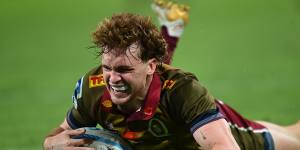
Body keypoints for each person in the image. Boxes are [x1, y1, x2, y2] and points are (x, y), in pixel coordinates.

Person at [43, 1, 300, 150]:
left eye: (123, 69)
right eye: (107, 67)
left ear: (152, 66)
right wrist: (52, 144)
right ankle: (172, 26)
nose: (112, 78)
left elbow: (223, 146)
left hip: (221, 131)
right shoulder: (93, 88)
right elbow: (58, 134)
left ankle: (173, 26)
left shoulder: (183, 90)